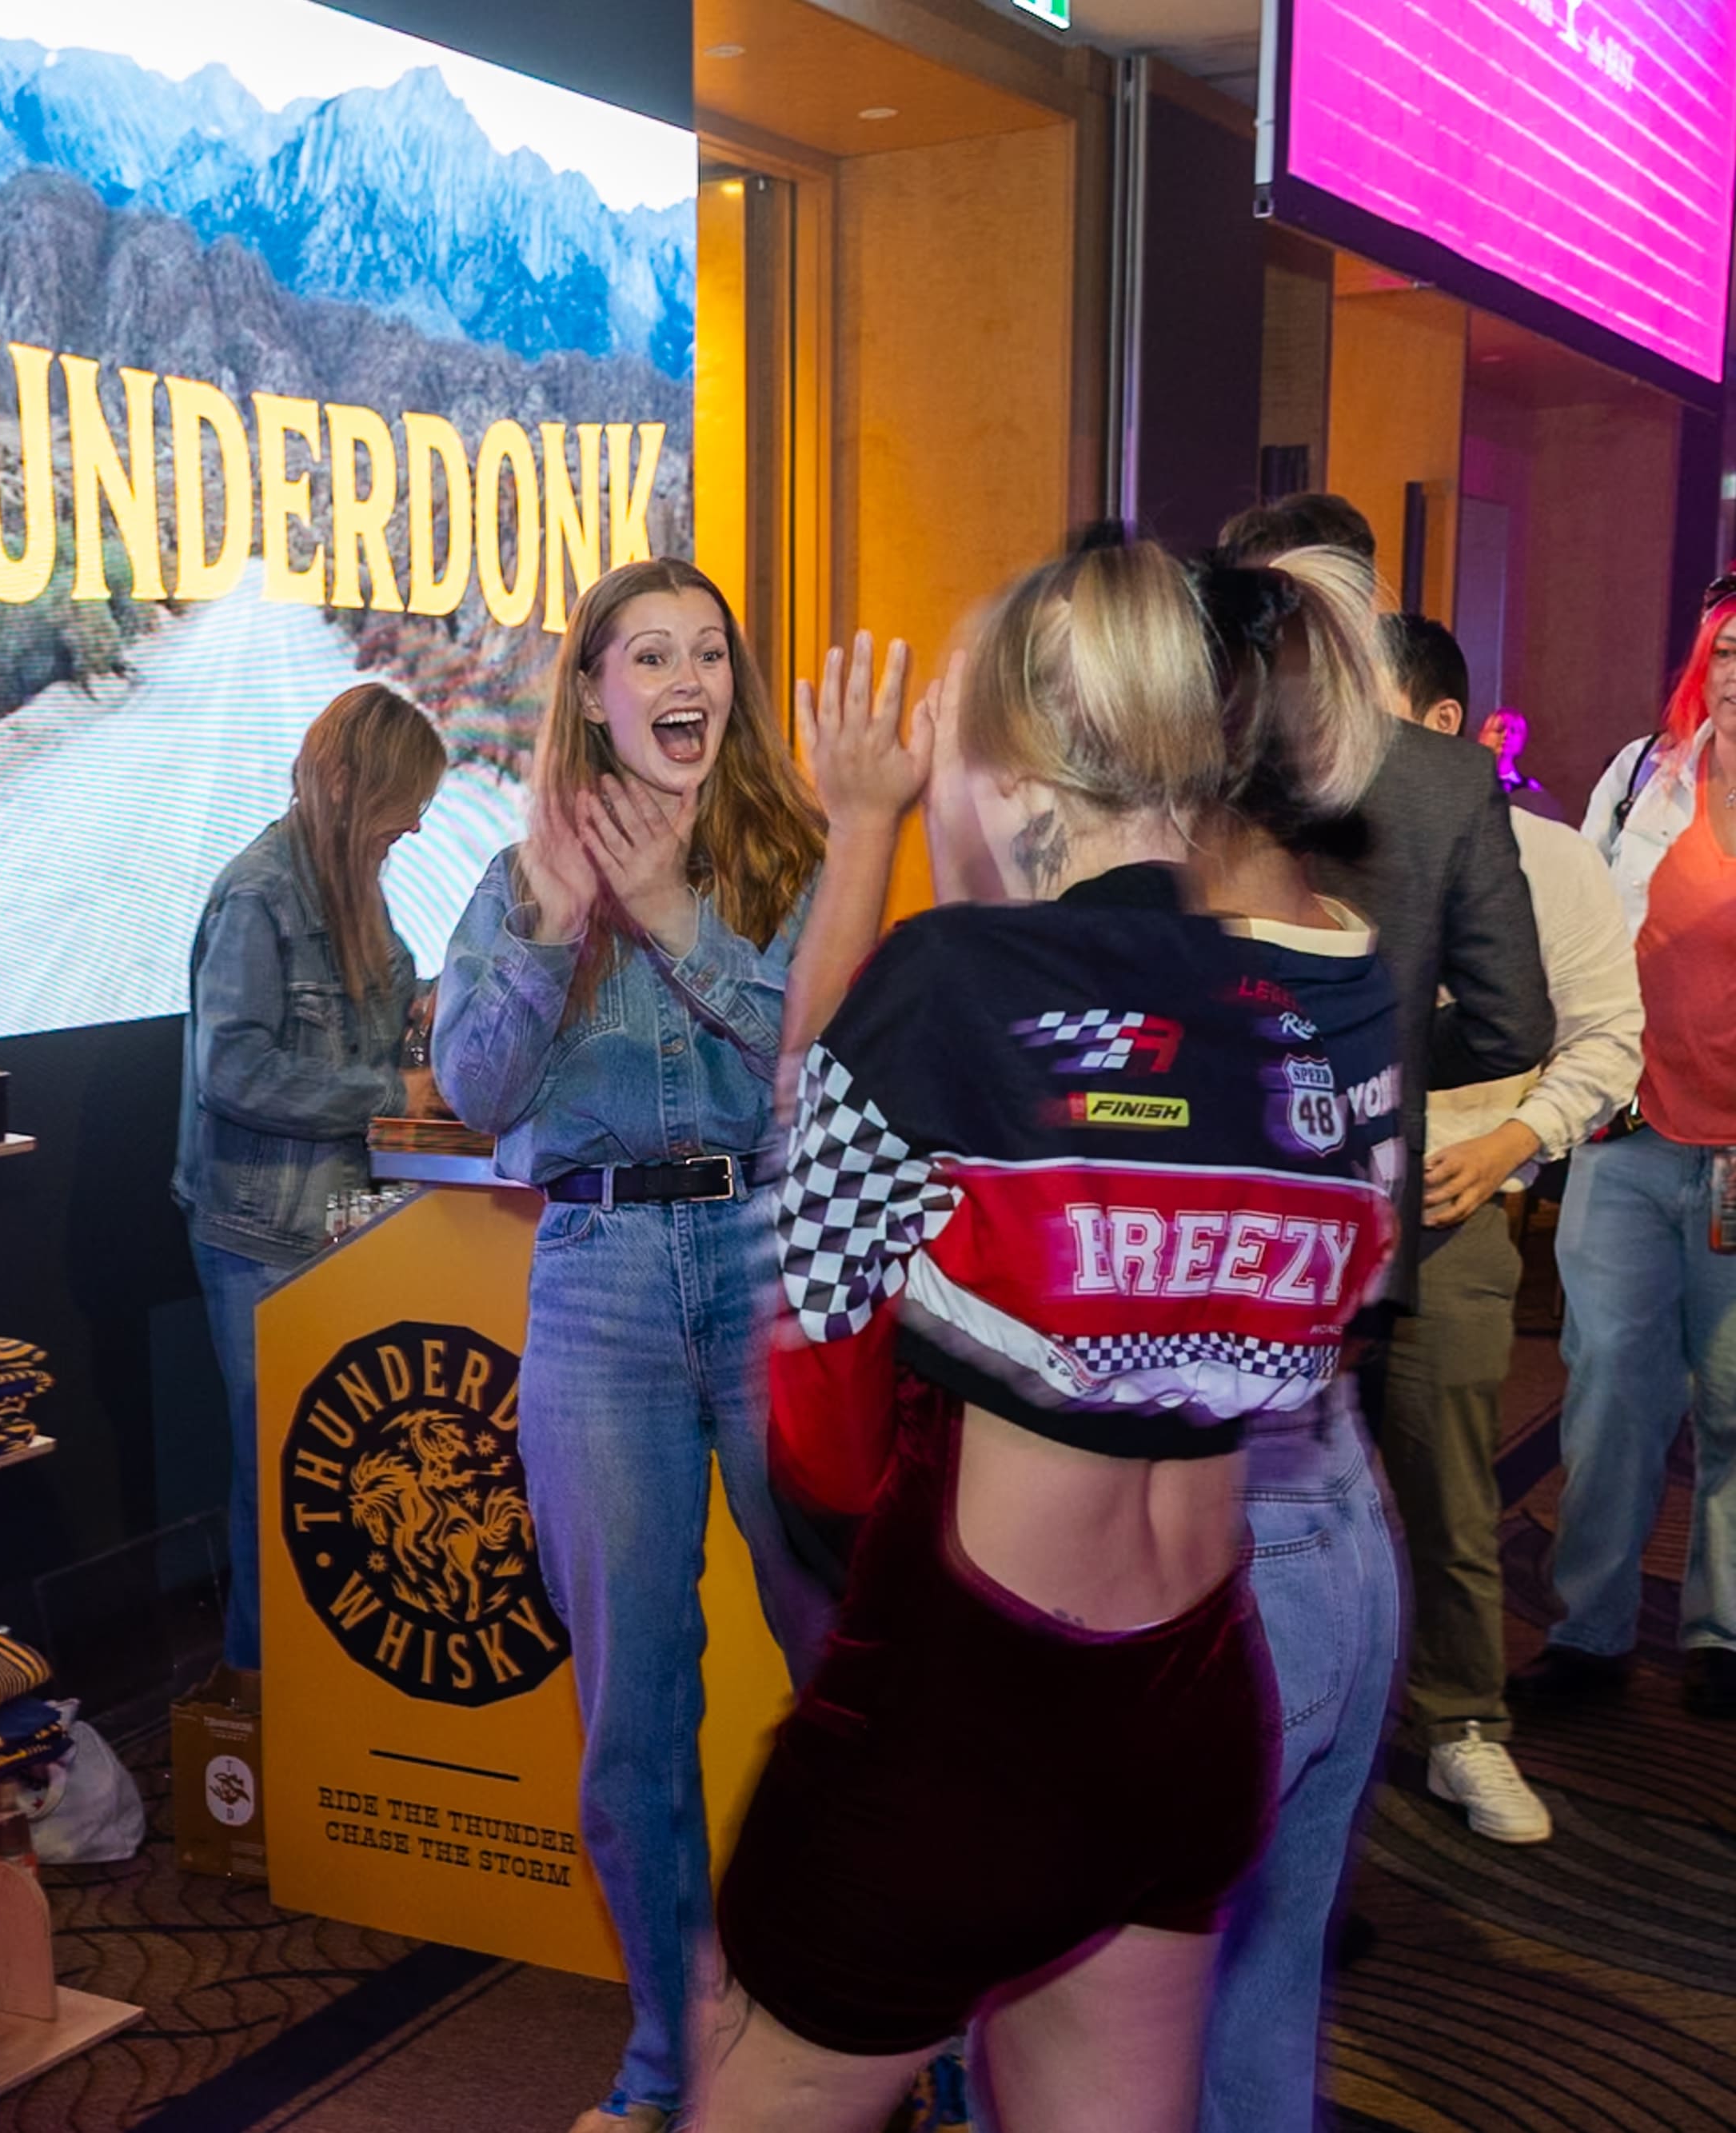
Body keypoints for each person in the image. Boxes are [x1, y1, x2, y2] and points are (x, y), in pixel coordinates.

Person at [697, 541, 1396, 2131]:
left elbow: (815, 1421)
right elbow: (1317, 1324)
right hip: (1200, 1707)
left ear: (1018, 774)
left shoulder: (946, 980)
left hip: (969, 1715)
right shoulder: (1302, 1014)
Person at [432, 557, 838, 2133]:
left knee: (845, 1664)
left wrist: (673, 913)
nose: (686, 678)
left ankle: (906, 2023)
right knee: (631, 1718)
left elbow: (827, 1062)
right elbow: (474, 1091)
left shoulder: (794, 853)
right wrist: (551, 927)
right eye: (649, 654)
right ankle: (674, 2050)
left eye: (708, 653)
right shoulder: (516, 872)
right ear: (594, 693)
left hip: (772, 1262)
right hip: (594, 1278)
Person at [1175, 551, 1415, 2130]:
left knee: (1107, 2028)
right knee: (1256, 2015)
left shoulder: (1190, 985)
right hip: (1334, 1515)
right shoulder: (1343, 943)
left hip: (1231, 1538)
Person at [1365, 614, 1638, 1833]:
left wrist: (1508, 1144)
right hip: (1305, 1220)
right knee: (1285, 1494)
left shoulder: (1547, 857)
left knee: (1450, 1488)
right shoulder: (1292, 842)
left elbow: (1605, 1037)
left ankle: (1463, 1723)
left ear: (1442, 728)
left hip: (1454, 1205)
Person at [1217, 495, 1554, 1314]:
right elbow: (1511, 1022)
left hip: (1201, 1198)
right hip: (1362, 1203)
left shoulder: (1193, 762)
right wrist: (1384, 1052)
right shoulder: (1446, 779)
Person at [174, 683, 446, 1692]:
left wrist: (433, 1014)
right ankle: (260, 1697)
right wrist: (388, 1093)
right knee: (278, 1480)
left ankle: (324, 1701)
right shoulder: (257, 897)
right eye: (403, 802)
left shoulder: (350, 880)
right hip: (262, 1239)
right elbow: (232, 1072)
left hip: (338, 1230)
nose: (413, 826)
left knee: (335, 1477)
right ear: (349, 784)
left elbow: (386, 1005)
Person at [1515, 575, 1736, 1723]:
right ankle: (1589, 1631)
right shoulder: (1643, 775)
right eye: (1727, 651)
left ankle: (1724, 1634)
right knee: (1608, 1397)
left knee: (1735, 1407)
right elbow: (1583, 936)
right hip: (1628, 1136)